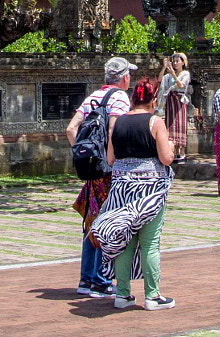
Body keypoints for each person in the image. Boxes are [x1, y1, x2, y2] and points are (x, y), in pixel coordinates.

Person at [91, 79, 176, 310]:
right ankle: (152, 296)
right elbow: (166, 158)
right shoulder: (155, 121)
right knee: (149, 243)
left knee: (124, 242)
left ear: (132, 99)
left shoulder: (117, 123)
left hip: (121, 190)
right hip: (150, 190)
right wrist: (171, 146)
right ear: (153, 100)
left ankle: (122, 294)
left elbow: (110, 159)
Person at [67, 56, 136, 297]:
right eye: (129, 75)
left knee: (91, 219)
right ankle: (99, 280)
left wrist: (83, 157)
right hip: (108, 171)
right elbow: (113, 129)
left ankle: (87, 278)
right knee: (105, 221)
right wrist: (110, 161)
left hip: (91, 170)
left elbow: (70, 129)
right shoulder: (120, 97)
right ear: (124, 77)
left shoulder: (92, 96)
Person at [158, 54, 191, 161]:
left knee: (180, 124)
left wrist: (173, 73)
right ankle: (173, 151)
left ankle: (181, 152)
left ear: (183, 62)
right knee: (170, 125)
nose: (175, 63)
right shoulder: (168, 76)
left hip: (179, 102)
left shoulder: (185, 73)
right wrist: (164, 67)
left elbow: (181, 85)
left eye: (178, 61)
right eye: (174, 61)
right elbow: (160, 80)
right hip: (170, 102)